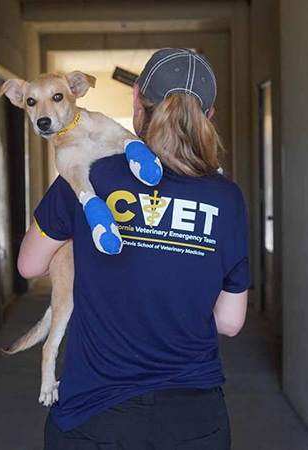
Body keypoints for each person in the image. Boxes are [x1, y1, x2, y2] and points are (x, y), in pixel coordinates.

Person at [18, 48, 250, 450]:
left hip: (94, 414)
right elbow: (230, 322)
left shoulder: (88, 174)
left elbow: (29, 264)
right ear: (208, 117)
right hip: (193, 419)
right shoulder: (226, 199)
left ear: (136, 102)